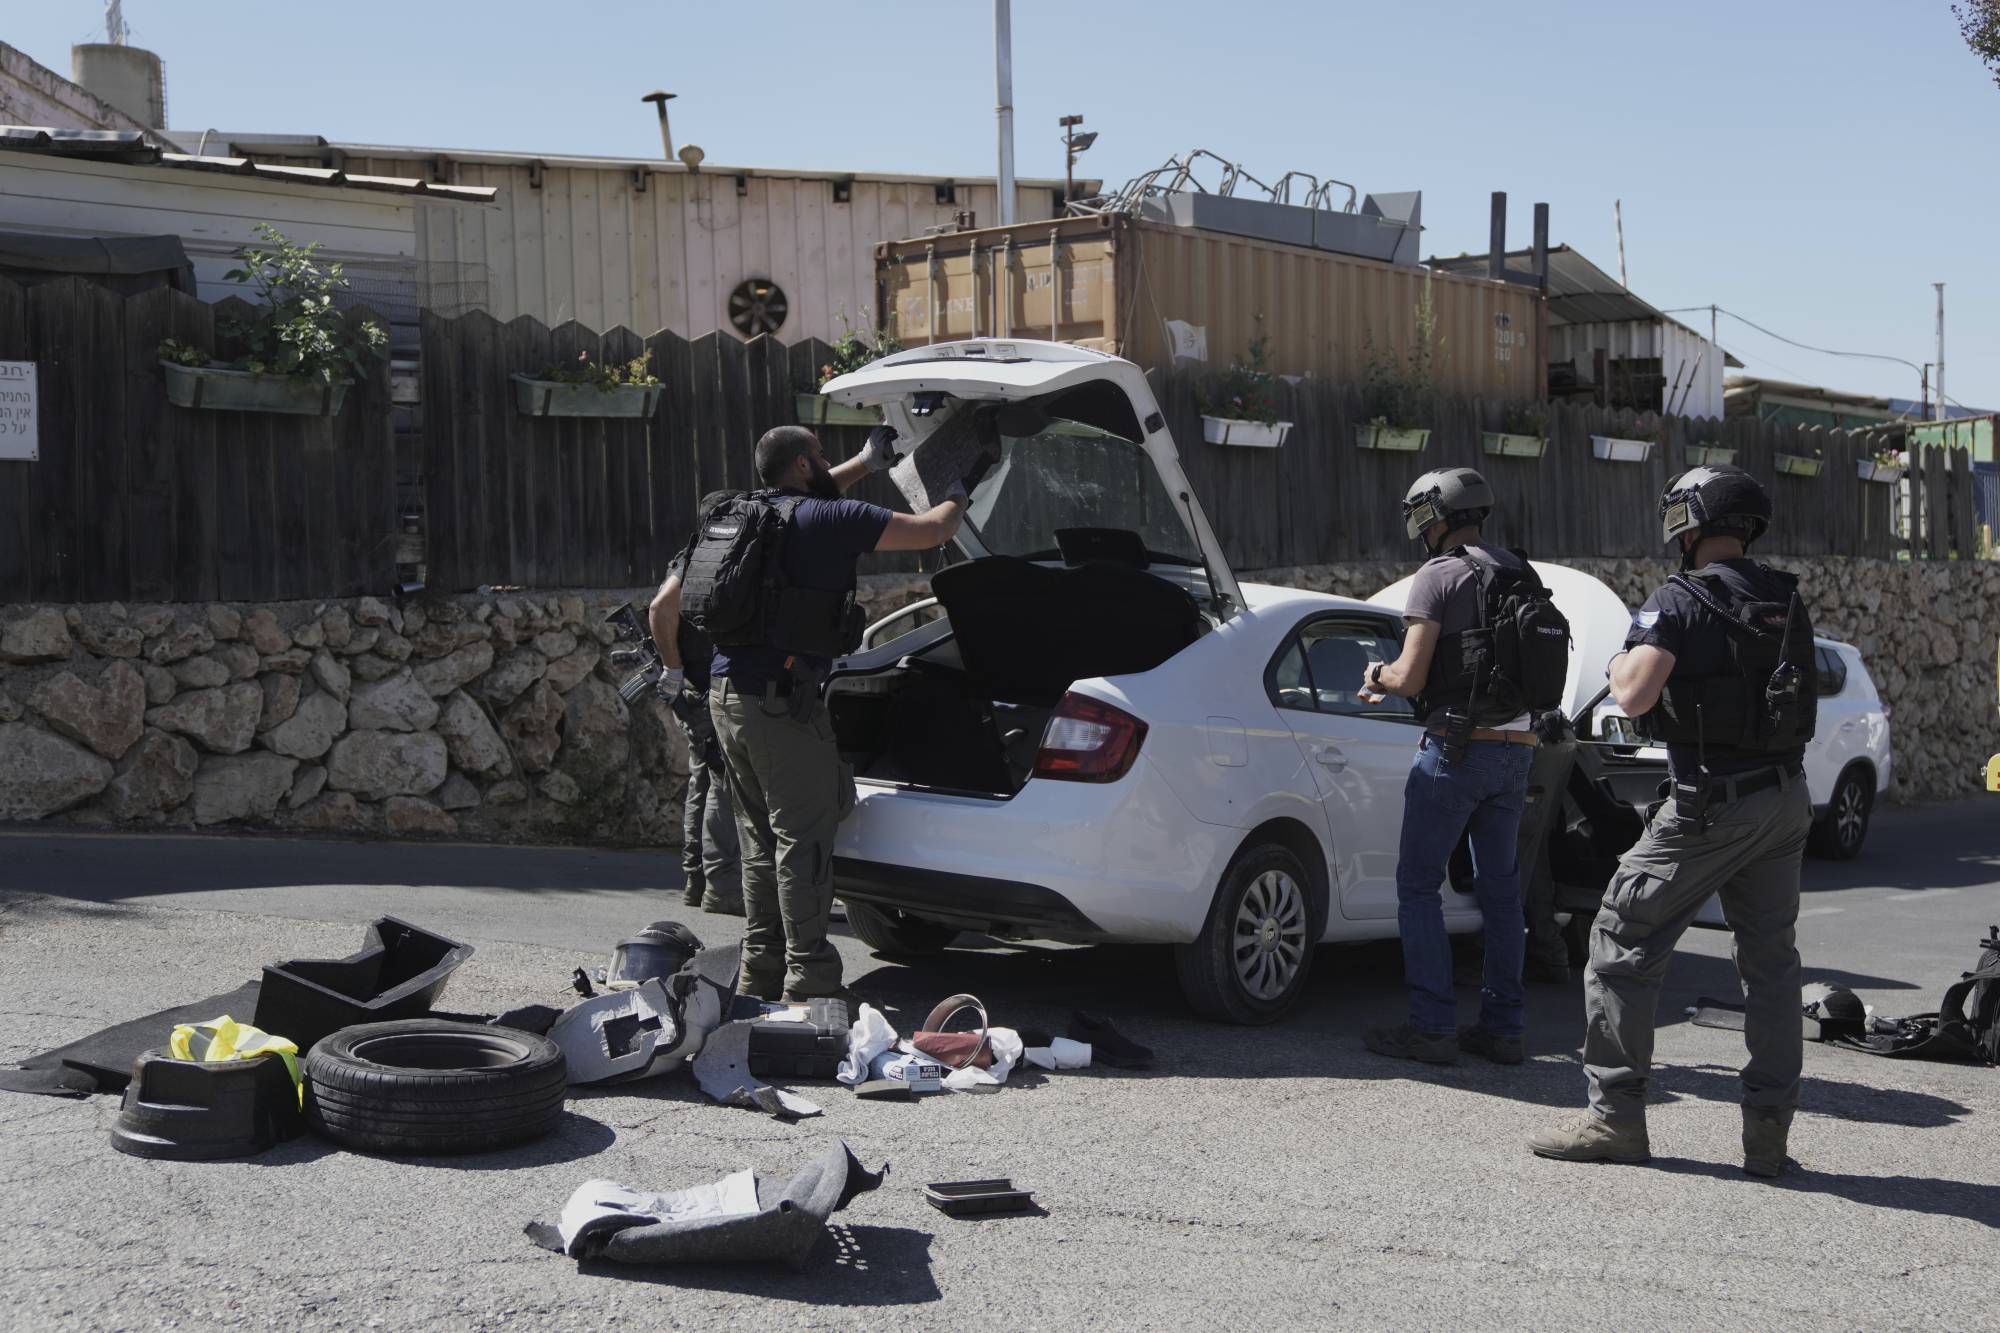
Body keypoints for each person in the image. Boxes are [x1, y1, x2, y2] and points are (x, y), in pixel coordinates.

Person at [1528, 464, 1815, 1179]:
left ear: (1690, 524)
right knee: (1771, 965)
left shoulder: (1680, 598)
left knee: (1621, 937)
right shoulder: (1785, 597)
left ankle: (1616, 1119)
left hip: (1712, 802)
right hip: (1785, 797)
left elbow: (1632, 695)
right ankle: (1768, 1140)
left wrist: (1623, 654)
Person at [650, 424, 966, 1002]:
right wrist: (957, 484)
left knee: (760, 841)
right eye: (819, 454)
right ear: (801, 465)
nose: (826, 462)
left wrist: (675, 673)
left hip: (726, 698)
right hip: (781, 705)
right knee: (804, 841)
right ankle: (810, 980)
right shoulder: (831, 519)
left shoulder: (739, 514)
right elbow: (933, 530)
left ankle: (760, 973)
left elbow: (662, 605)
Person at [1357, 467, 1542, 1067]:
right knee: (1501, 893)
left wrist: (1377, 674)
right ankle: (1504, 1029)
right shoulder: (1519, 569)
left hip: (1456, 749)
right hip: (1517, 749)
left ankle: (1433, 1026)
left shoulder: (1438, 574)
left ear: (1430, 517)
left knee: (1418, 886)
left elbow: (1411, 677)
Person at [649, 490, 744, 916]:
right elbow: (660, 608)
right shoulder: (702, 558)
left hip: (697, 687)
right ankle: (721, 886)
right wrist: (672, 667)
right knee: (722, 782)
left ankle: (697, 881)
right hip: (709, 688)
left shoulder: (690, 556)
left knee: (704, 782)